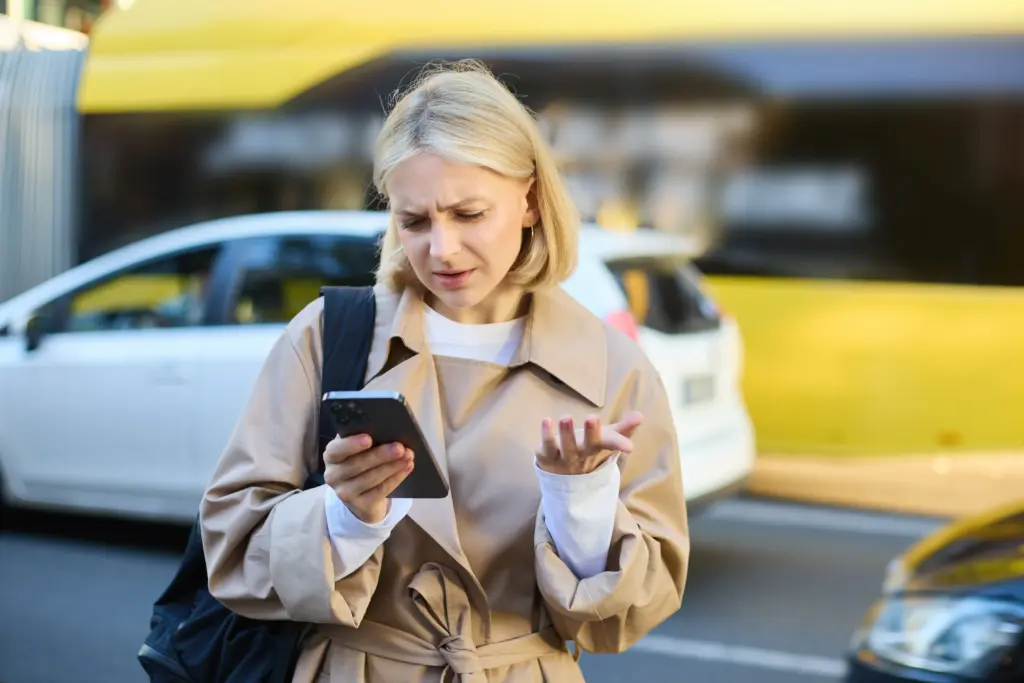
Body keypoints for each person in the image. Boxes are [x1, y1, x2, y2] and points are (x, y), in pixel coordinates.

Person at [199, 60, 689, 683]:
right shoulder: (328, 336)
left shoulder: (612, 368)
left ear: (531, 200)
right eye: (415, 221)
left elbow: (633, 613)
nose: (442, 249)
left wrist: (582, 501)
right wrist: (346, 515)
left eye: (468, 213)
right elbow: (232, 549)